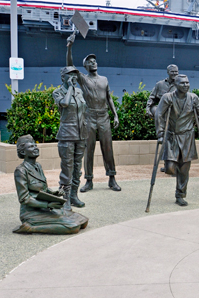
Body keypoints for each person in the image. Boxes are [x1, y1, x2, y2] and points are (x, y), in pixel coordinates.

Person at [66, 33, 121, 192]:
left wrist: (115, 115)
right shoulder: (83, 78)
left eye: (94, 60)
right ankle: (88, 181)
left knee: (108, 149)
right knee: (88, 150)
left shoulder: (104, 79)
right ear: (85, 67)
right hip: (89, 117)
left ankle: (112, 179)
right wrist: (69, 47)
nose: (93, 62)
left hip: (104, 117)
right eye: (89, 62)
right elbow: (70, 66)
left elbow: (109, 98)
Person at [13, 135, 89, 235]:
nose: (35, 148)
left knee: (83, 221)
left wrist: (54, 193)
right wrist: (48, 204)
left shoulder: (38, 166)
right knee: (72, 227)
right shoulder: (20, 171)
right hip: (31, 212)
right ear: (23, 152)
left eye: (35, 145)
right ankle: (30, 228)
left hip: (44, 208)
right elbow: (24, 198)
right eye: (31, 147)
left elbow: (43, 188)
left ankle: (56, 219)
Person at [156, 75, 199, 206]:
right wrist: (160, 133)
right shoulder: (168, 97)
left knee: (184, 170)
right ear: (176, 85)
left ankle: (180, 195)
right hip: (172, 136)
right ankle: (175, 164)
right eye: (182, 83)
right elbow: (159, 114)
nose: (186, 85)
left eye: (187, 83)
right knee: (169, 169)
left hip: (187, 137)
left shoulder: (193, 98)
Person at [52, 66, 88, 209]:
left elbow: (84, 109)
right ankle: (65, 199)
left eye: (75, 74)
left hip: (81, 134)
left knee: (77, 168)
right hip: (67, 134)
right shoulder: (58, 92)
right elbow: (65, 104)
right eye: (70, 75)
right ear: (63, 78)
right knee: (67, 168)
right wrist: (70, 88)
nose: (73, 77)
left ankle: (74, 196)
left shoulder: (79, 92)